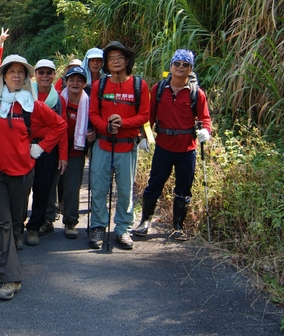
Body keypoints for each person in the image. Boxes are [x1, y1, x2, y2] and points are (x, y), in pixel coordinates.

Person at [0, 55, 66, 300]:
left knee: (16, 222)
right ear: (3, 77)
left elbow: (59, 126)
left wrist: (40, 148)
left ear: (26, 78)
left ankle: (4, 262)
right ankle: (11, 277)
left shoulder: (32, 105)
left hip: (22, 175)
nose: (16, 75)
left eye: (21, 72)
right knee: (2, 224)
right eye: (11, 71)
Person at [134, 49, 212, 240]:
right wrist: (144, 136)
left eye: (185, 65)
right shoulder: (159, 89)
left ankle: (178, 226)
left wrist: (206, 132)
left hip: (187, 150)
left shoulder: (197, 93)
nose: (180, 68)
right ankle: (145, 221)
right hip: (163, 147)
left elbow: (205, 118)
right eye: (177, 64)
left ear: (190, 69)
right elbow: (149, 116)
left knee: (184, 188)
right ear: (171, 66)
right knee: (154, 184)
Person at [87, 41, 149, 251]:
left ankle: (123, 228)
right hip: (103, 144)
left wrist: (123, 123)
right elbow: (93, 113)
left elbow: (145, 115)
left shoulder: (139, 85)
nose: (115, 61)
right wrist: (105, 126)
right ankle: (97, 226)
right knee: (99, 188)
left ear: (127, 61)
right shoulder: (99, 86)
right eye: (111, 58)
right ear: (106, 63)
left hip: (127, 146)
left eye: (119, 57)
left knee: (125, 190)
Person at [23, 59, 68, 246]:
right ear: (35, 75)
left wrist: (63, 155)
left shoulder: (58, 100)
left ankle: (35, 226)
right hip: (24, 146)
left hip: (47, 148)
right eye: (41, 72)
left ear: (54, 75)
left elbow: (62, 127)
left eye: (49, 72)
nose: (45, 76)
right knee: (22, 187)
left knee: (42, 189)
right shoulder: (25, 94)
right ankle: (17, 225)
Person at [58, 65, 90, 240]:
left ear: (84, 84)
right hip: (56, 148)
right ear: (66, 82)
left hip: (76, 150)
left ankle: (70, 221)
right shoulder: (58, 100)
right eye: (72, 79)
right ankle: (47, 218)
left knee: (72, 187)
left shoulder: (89, 103)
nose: (75, 83)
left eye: (79, 80)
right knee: (53, 184)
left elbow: (94, 124)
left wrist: (91, 133)